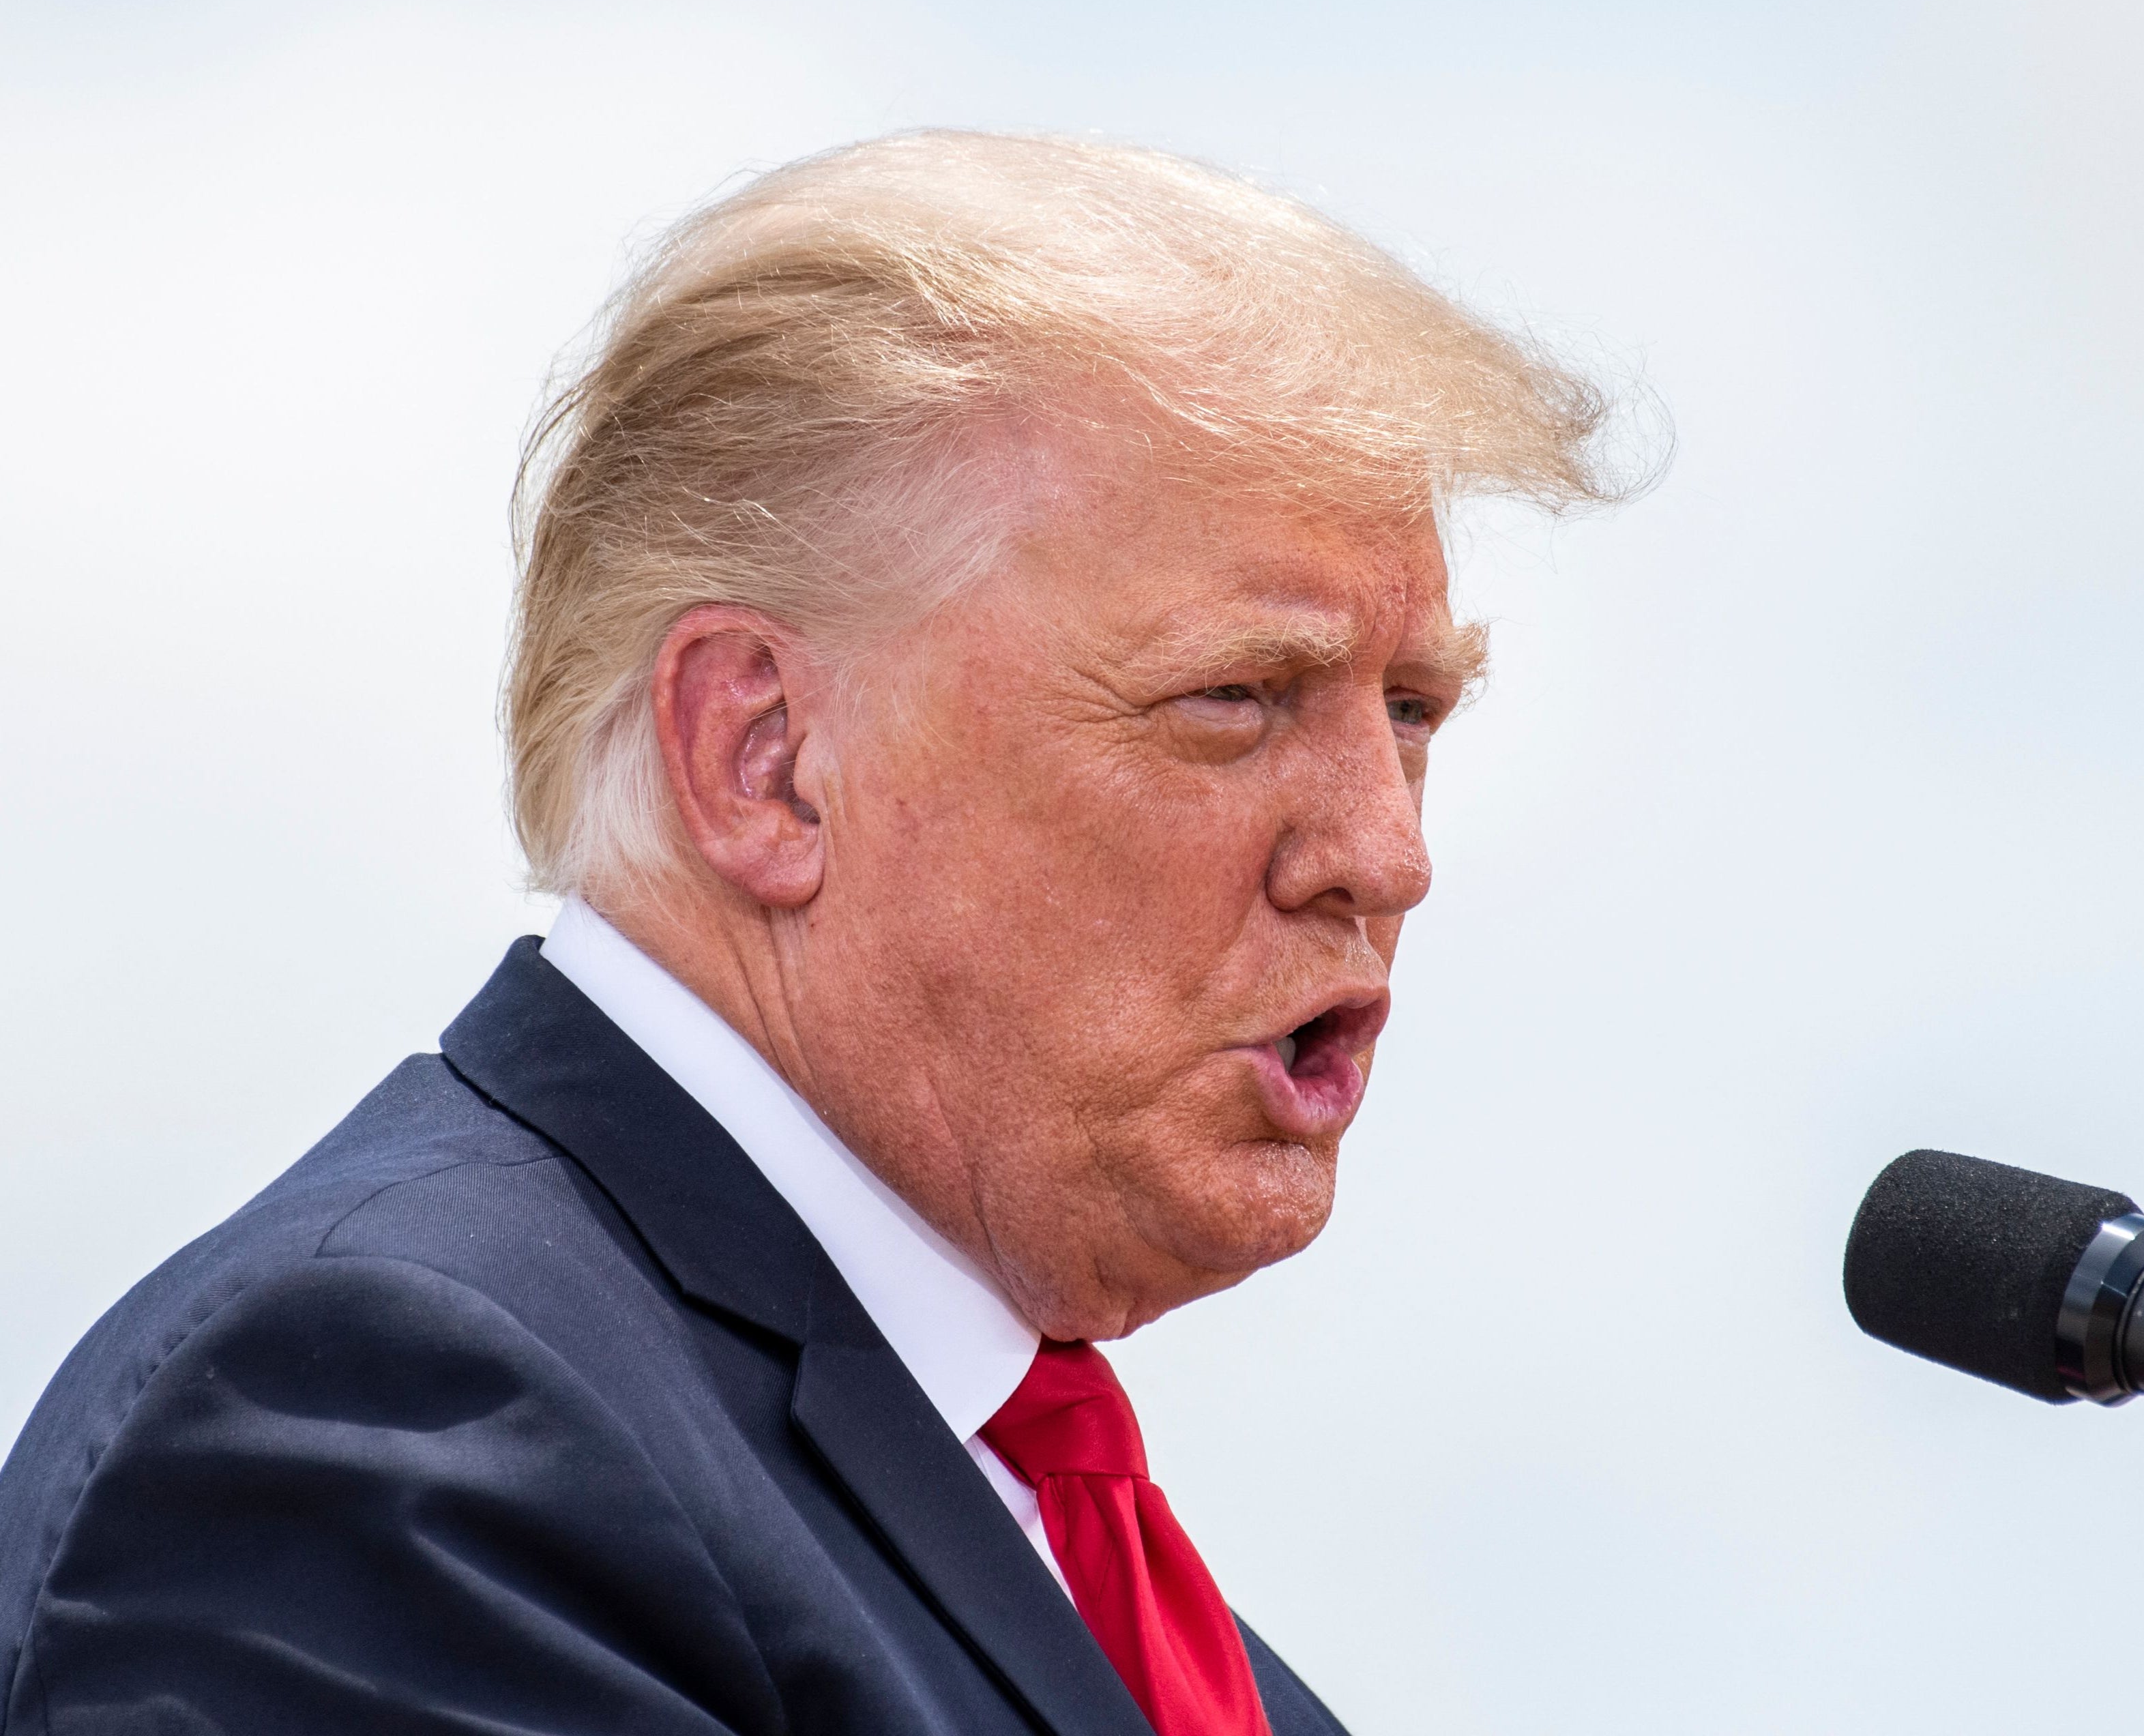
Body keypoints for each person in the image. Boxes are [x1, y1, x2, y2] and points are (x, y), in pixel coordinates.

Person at [0, 130, 1617, 1733]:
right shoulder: (393, 1423)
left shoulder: (1162, 1637)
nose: (1384, 854)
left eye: (1410, 709)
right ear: (761, 759)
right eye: (1235, 699)